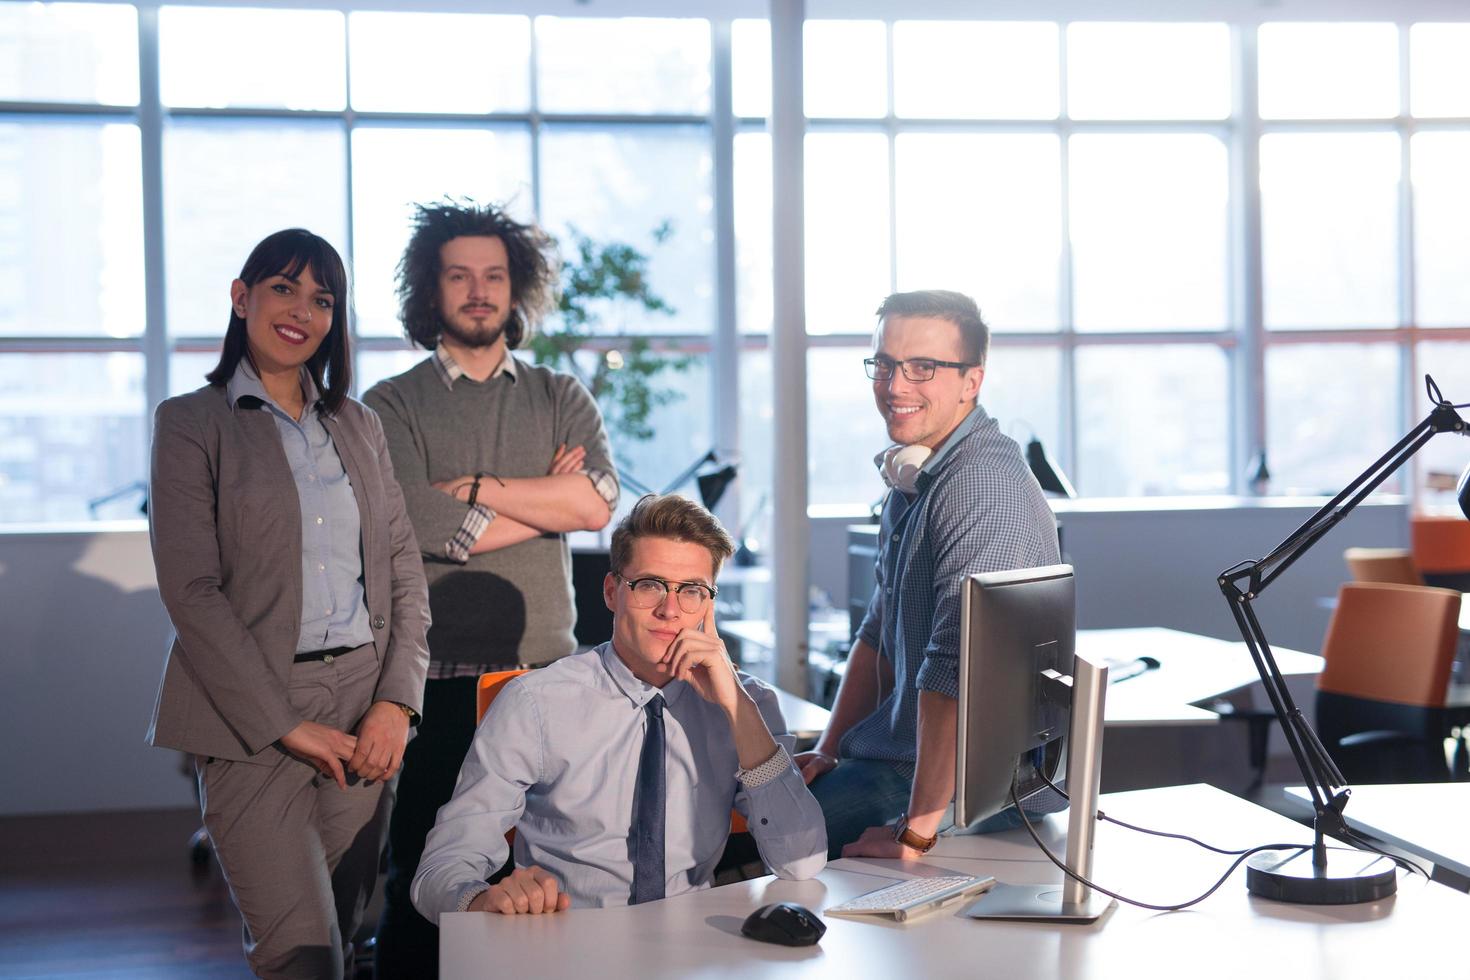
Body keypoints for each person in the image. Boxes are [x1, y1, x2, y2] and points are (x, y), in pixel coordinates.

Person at [146, 228, 431, 979]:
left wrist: (396, 703)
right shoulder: (190, 423)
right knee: (300, 954)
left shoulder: (359, 425)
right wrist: (284, 723)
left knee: (346, 934)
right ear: (242, 299)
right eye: (283, 288)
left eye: (323, 298)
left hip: (364, 707)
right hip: (252, 716)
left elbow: (403, 570)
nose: (302, 309)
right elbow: (192, 593)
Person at [362, 201, 618, 972]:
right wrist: (544, 503)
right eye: (459, 276)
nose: (479, 290)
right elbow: (413, 523)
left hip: (543, 673)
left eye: (494, 276)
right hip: (430, 677)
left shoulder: (559, 395)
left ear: (517, 289)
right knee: (428, 875)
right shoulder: (391, 403)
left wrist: (475, 489)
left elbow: (597, 503)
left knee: (538, 873)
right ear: (430, 290)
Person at [410, 493, 827, 918]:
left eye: (691, 591)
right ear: (612, 591)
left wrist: (736, 707)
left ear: (709, 604)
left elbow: (802, 862)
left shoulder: (747, 703)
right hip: (572, 941)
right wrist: (483, 900)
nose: (670, 610)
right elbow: (441, 869)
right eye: (649, 585)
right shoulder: (536, 703)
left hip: (696, 947)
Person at [795, 289, 1062, 860]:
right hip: (901, 756)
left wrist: (917, 832)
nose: (895, 386)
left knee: (762, 833)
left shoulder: (979, 488)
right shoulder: (915, 480)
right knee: (757, 806)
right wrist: (829, 749)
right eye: (885, 365)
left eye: (922, 368)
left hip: (969, 788)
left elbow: (955, 667)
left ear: (972, 381)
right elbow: (877, 632)